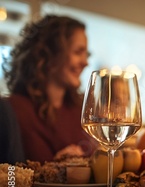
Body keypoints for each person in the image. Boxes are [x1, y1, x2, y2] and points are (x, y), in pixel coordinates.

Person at [2, 15, 96, 162]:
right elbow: (11, 179)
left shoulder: (81, 109)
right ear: (51, 54)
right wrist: (56, 167)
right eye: (78, 52)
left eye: (86, 54)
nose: (85, 63)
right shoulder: (12, 110)